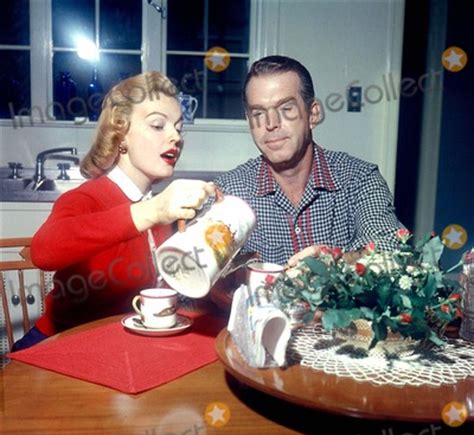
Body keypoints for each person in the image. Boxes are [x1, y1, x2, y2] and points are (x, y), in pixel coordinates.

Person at [12, 71, 216, 351]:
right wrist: (152, 211)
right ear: (121, 134)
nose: (175, 137)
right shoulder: (87, 198)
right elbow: (44, 251)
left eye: (179, 128)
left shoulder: (164, 213)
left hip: (125, 347)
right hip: (61, 346)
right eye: (158, 125)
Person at [214, 55, 402, 267]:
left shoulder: (359, 179)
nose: (271, 124)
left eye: (286, 109)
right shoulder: (229, 191)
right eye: (258, 113)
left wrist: (336, 262)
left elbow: (392, 250)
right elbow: (193, 274)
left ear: (313, 114)